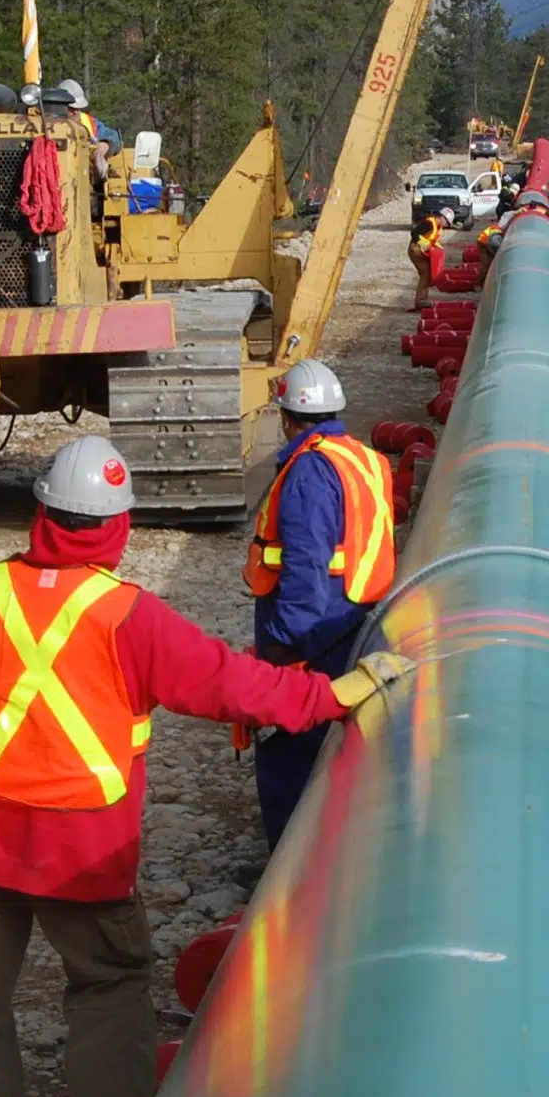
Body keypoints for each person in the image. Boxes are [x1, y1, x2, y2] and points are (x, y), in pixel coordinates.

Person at [0, 435, 409, 1097]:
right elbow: (234, 686)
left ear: (41, 511)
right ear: (118, 527)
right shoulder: (128, 617)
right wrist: (332, 695)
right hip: (82, 853)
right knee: (106, 988)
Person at [243, 357, 397, 848]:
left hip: (312, 635)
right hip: (356, 620)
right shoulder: (364, 458)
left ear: (287, 416)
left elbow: (306, 565)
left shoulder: (309, 470)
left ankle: (289, 872)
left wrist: (282, 651)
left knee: (289, 755)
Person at [409, 213, 446, 309]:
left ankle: (422, 300)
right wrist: (423, 243)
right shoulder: (429, 223)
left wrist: (439, 248)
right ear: (442, 217)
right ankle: (420, 301)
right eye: (446, 222)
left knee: (427, 274)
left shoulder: (435, 226)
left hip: (421, 250)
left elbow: (431, 240)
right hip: (416, 249)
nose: (446, 225)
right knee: (425, 273)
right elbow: (414, 233)